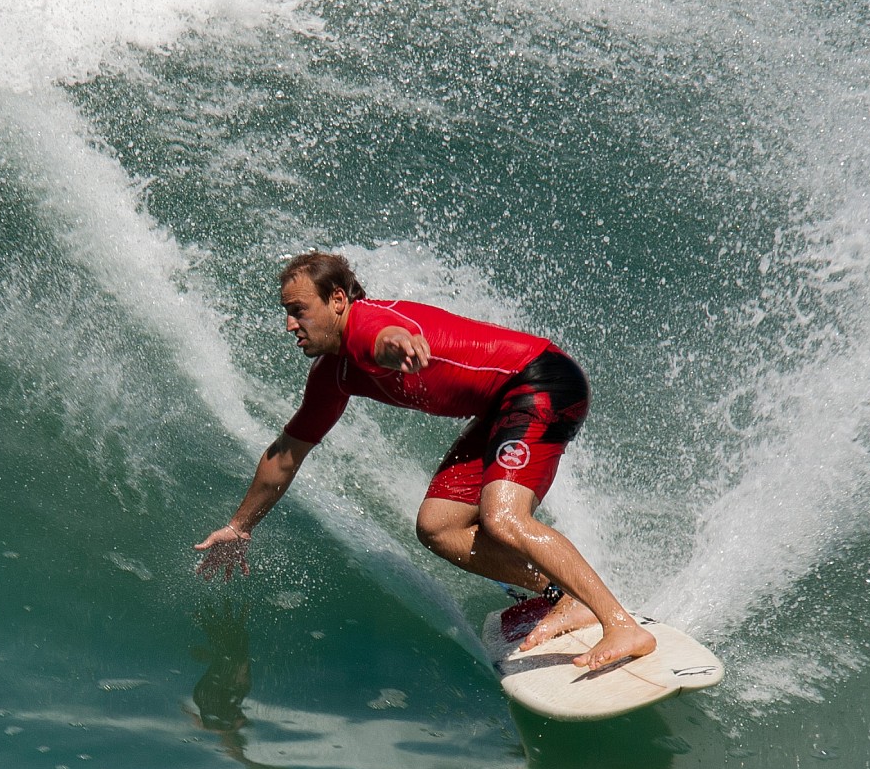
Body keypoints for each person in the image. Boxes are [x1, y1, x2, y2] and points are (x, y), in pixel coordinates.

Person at [194, 251, 656, 672]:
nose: (290, 324)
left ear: (337, 300)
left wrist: (397, 344)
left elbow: (385, 334)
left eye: (299, 310)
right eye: (287, 313)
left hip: (541, 381)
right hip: (501, 406)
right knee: (437, 526)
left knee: (503, 518)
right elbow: (285, 455)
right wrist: (240, 526)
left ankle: (620, 624)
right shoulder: (332, 376)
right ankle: (562, 594)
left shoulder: (366, 325)